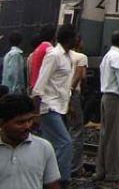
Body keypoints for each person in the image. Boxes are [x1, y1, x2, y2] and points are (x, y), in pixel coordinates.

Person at [31, 25, 76, 186]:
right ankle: (59, 180)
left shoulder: (68, 57)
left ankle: (42, 178)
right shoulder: (53, 56)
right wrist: (36, 113)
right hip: (49, 106)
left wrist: (69, 105)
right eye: (76, 37)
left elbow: (63, 85)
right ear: (69, 38)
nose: (78, 40)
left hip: (60, 106)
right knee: (65, 143)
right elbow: (40, 85)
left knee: (49, 145)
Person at [95, 30, 119, 188]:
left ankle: (101, 171)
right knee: (115, 139)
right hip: (116, 99)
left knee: (105, 136)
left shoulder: (107, 56)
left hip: (106, 97)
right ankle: (113, 176)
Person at [0, 94, 61, 189]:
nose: (27, 126)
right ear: (2, 122)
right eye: (20, 122)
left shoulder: (44, 147)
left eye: (30, 120)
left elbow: (52, 185)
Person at [68, 35, 88, 177]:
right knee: (77, 130)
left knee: (65, 130)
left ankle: (62, 164)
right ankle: (75, 168)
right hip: (73, 94)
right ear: (78, 43)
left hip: (61, 95)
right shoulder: (81, 57)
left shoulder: (64, 56)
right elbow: (82, 76)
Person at [29, 25, 56, 90]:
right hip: (43, 89)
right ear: (53, 36)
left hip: (35, 86)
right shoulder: (49, 49)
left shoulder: (39, 48)